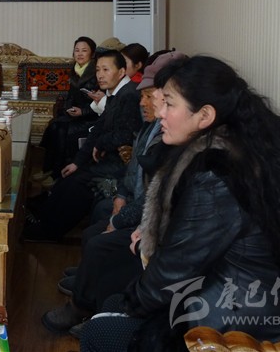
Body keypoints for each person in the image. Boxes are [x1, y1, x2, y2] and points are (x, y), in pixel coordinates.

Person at [78, 56, 280, 352]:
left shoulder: (218, 175)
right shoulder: (237, 147)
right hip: (229, 295)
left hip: (234, 327)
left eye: (169, 104)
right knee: (112, 301)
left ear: (205, 115)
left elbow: (173, 271)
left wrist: (135, 294)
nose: (160, 113)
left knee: (99, 330)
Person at [42, 51, 186, 337]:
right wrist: (120, 197)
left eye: (152, 97)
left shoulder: (173, 138)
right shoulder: (153, 126)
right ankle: (84, 280)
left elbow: (155, 196)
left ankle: (82, 306)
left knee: (98, 234)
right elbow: (134, 171)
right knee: (91, 221)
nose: (144, 102)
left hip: (155, 227)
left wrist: (123, 220)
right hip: (136, 204)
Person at [23, 50, 142, 242]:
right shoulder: (115, 94)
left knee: (78, 184)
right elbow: (99, 129)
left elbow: (125, 135)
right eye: (98, 70)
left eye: (106, 69)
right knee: (69, 174)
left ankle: (48, 231)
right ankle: (40, 219)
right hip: (106, 159)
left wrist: (100, 144)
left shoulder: (129, 95)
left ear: (121, 72)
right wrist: (77, 162)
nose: (100, 75)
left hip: (121, 166)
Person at [35, 36, 100, 181]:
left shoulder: (97, 72)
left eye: (84, 50)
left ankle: (57, 173)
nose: (80, 54)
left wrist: (83, 111)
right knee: (53, 126)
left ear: (92, 54)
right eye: (77, 50)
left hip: (91, 118)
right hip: (76, 114)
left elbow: (102, 103)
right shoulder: (75, 70)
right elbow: (70, 96)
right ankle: (45, 168)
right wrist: (68, 109)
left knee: (62, 130)